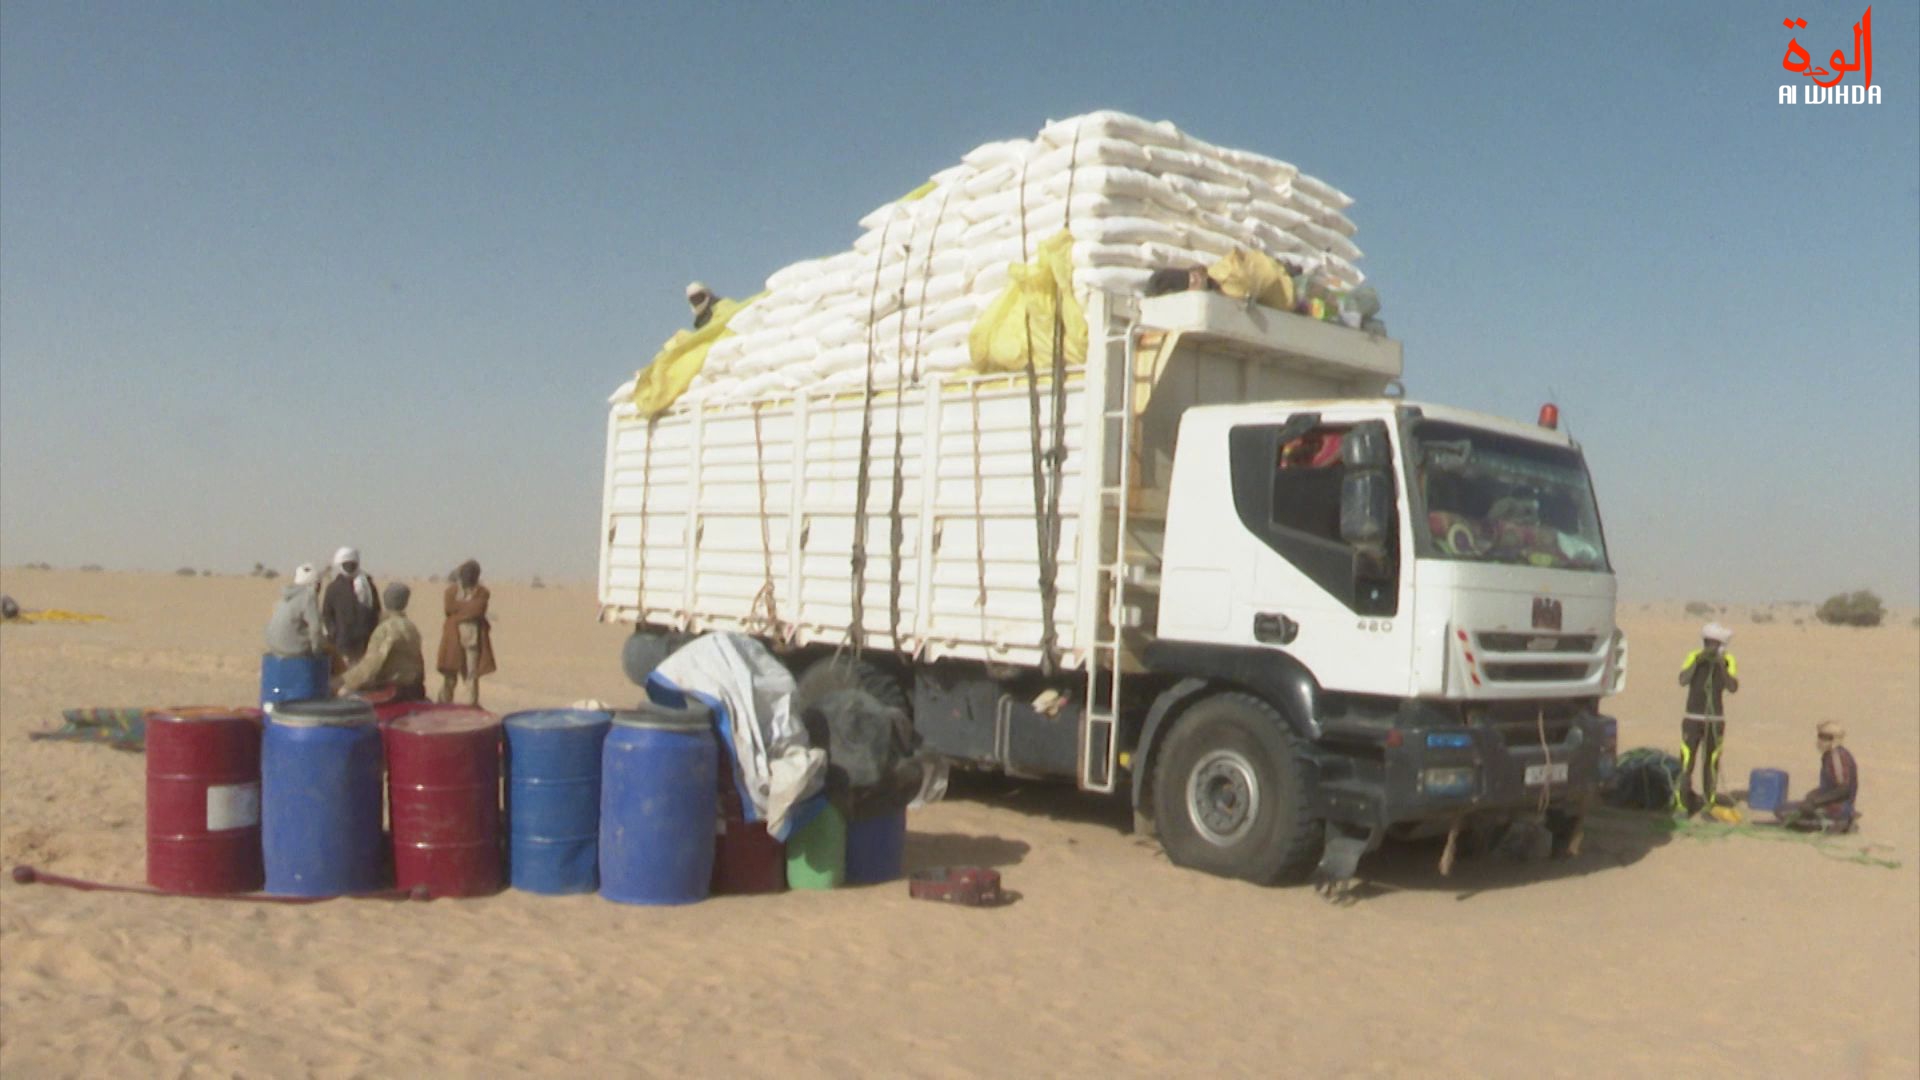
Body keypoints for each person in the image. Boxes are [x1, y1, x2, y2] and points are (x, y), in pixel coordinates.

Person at [1675, 622, 1739, 814]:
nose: (1711, 647)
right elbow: (1682, 680)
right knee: (1687, 760)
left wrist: (1720, 666)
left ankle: (1709, 803)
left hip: (1715, 719)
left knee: (1711, 761)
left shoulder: (1728, 660)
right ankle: (1681, 803)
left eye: (1715, 644)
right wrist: (1698, 662)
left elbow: (1732, 687)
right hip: (1692, 717)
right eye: (1708, 643)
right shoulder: (1693, 656)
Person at [336, 582, 427, 700]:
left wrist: (345, 682)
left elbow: (371, 665)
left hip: (392, 692)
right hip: (412, 689)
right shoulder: (411, 628)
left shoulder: (386, 629)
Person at [1777, 721, 1859, 833]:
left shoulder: (1837, 757)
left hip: (1839, 807)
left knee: (1782, 811)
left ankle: (1837, 823)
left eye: (1826, 737)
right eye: (1820, 736)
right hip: (1833, 803)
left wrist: (1815, 802)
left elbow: (1843, 789)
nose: (1820, 741)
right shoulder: (1830, 755)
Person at [437, 559, 496, 706]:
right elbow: (450, 607)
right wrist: (466, 610)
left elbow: (478, 609)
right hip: (453, 638)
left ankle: (471, 705)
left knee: (472, 674)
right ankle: (443, 704)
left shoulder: (482, 592)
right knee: (450, 673)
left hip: (473, 639)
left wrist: (459, 612)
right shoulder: (451, 591)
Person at [320, 546, 381, 668]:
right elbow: (327, 614)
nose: (350, 568)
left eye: (352, 564)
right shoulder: (334, 588)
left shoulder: (367, 586)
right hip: (343, 642)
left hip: (364, 642)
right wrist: (334, 633)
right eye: (346, 564)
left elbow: (376, 611)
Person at [264, 563, 323, 658]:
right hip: (293, 649)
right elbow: (315, 628)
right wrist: (318, 652)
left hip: (274, 648)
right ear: (314, 584)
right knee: (327, 648)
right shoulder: (309, 596)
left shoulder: (285, 597)